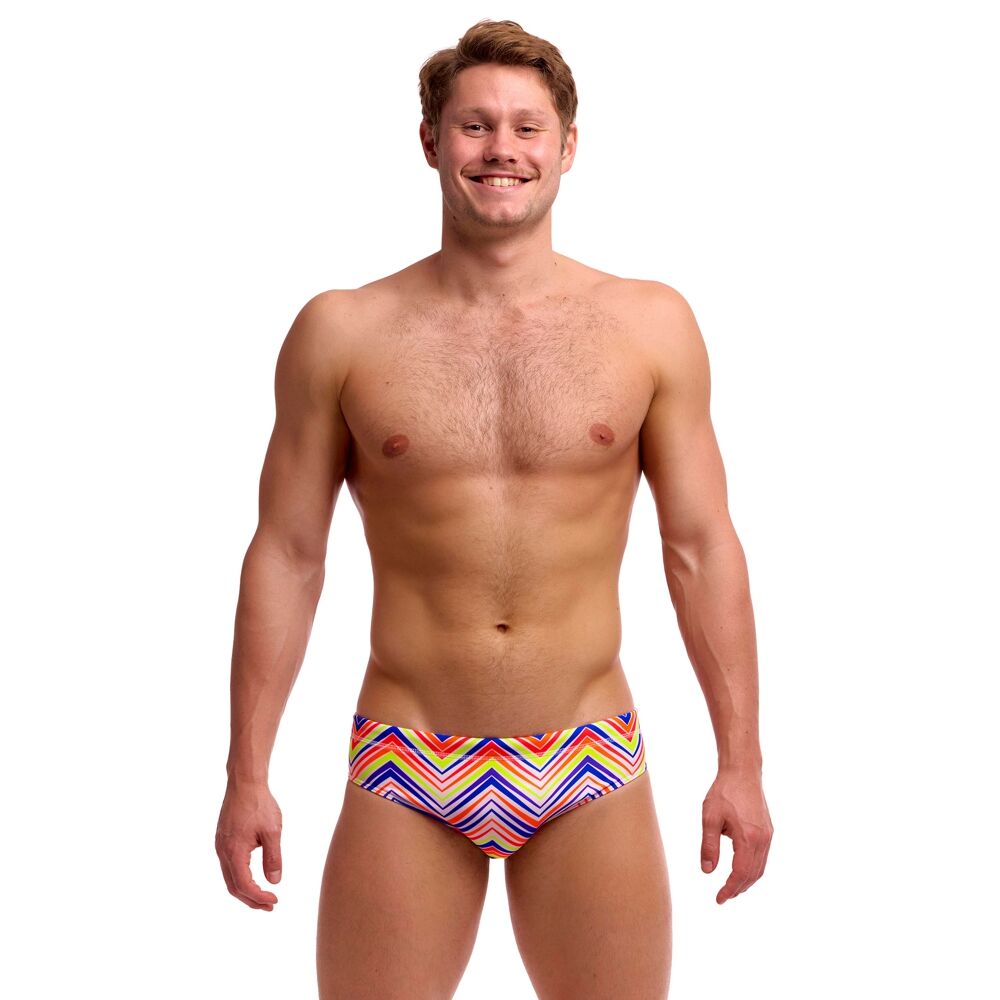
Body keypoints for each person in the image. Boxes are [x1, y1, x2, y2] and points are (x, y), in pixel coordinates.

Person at [215, 18, 773, 999]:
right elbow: (289, 554)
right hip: (407, 755)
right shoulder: (342, 331)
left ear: (568, 146)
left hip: (586, 750)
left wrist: (742, 763)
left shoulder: (650, 325)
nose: (501, 148)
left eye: (526, 126)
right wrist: (246, 772)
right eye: (475, 125)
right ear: (431, 141)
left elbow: (699, 546)